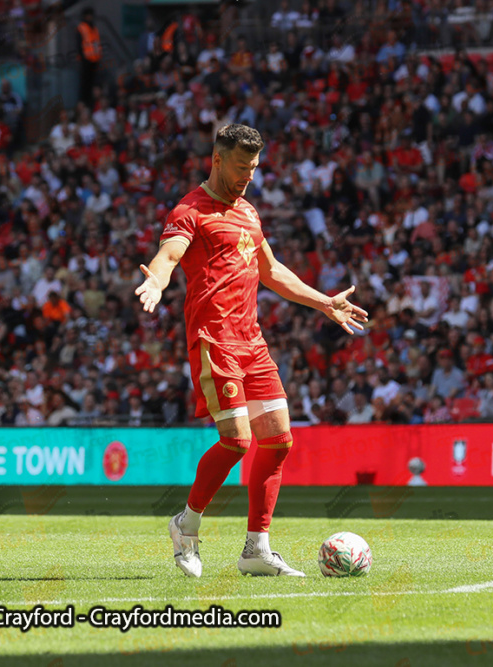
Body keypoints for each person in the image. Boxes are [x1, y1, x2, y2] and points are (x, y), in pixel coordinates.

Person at [135, 124, 368, 578]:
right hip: (214, 340)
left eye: (254, 168)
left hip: (252, 342)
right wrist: (155, 282)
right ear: (217, 159)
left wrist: (324, 302)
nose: (248, 176)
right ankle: (187, 526)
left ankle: (256, 550)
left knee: (279, 440)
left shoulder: (248, 213)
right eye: (241, 167)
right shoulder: (191, 209)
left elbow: (273, 271)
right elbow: (168, 255)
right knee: (238, 441)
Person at [77, 8, 102, 107]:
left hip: (95, 59)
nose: (90, 17)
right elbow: (79, 44)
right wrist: (82, 57)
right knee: (85, 83)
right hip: (86, 60)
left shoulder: (94, 28)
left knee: (93, 83)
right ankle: (84, 102)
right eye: (88, 15)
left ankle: (91, 103)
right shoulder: (82, 27)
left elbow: (96, 42)